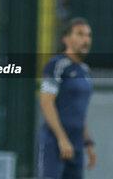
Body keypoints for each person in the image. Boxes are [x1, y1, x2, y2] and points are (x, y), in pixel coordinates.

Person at [37, 17, 97, 179]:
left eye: (88, 35)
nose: (86, 40)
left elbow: (80, 111)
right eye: (80, 34)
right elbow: (46, 102)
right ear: (66, 39)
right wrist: (61, 139)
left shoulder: (85, 71)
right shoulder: (56, 65)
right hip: (54, 144)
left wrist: (88, 143)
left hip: (76, 145)